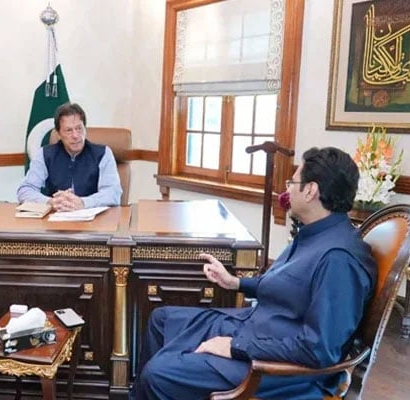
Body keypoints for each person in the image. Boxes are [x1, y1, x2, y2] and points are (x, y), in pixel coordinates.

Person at [129, 147, 377, 400]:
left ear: (311, 190)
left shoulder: (339, 259)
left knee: (158, 374)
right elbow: (289, 285)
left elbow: (318, 350)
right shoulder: (314, 233)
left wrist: (234, 346)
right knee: (162, 320)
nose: (288, 189)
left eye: (293, 182)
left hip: (280, 368)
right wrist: (236, 282)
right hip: (258, 326)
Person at [17, 102, 122, 211]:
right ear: (58, 134)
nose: (75, 136)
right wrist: (50, 202)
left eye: (79, 128)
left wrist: (83, 203)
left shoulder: (103, 153)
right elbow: (25, 190)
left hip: (93, 221)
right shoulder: (45, 154)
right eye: (68, 130)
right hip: (55, 220)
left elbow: (113, 193)